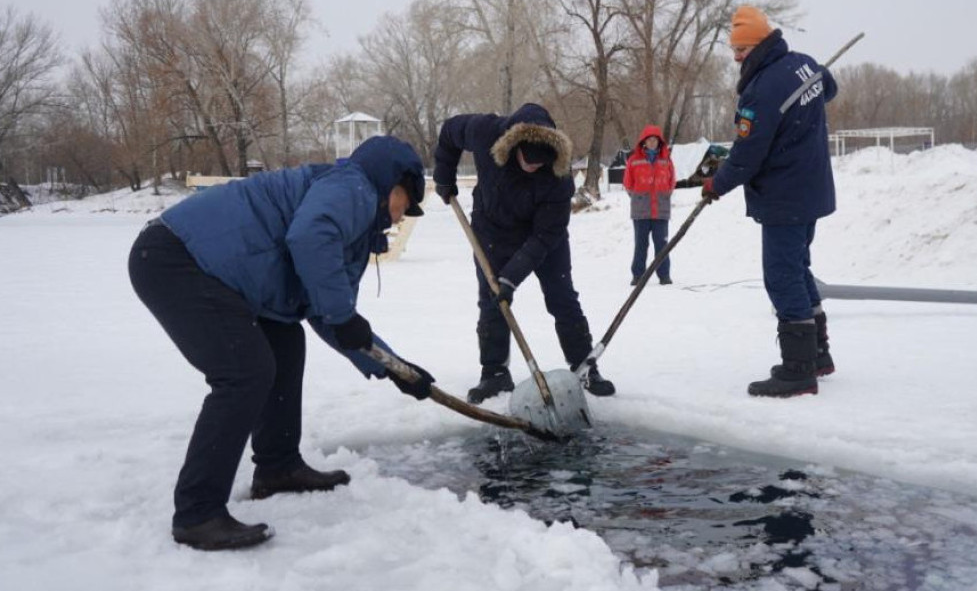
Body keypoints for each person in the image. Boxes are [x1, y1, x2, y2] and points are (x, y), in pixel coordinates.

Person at [128, 136, 435, 551]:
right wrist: (346, 320)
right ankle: (197, 513)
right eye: (406, 204)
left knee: (285, 342)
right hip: (179, 259)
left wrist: (393, 367)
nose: (402, 217)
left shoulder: (351, 217)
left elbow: (332, 315)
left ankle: (278, 467)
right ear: (394, 183)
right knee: (244, 372)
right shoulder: (355, 187)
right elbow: (310, 240)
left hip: (211, 271)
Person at [432, 102, 615, 402]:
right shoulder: (484, 131)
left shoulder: (559, 178)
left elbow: (546, 235)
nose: (533, 167)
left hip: (542, 235)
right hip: (492, 229)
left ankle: (584, 367)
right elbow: (450, 133)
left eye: (540, 164)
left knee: (562, 297)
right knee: (492, 300)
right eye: (528, 161)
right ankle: (494, 374)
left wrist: (512, 278)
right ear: (514, 146)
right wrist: (443, 175)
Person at [701, 6, 839, 397]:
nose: (735, 56)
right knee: (797, 268)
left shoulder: (762, 90)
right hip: (810, 188)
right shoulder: (803, 64)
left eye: (741, 48)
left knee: (781, 275)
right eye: (734, 48)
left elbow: (746, 155)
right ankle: (817, 355)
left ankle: (798, 371)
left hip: (785, 194)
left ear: (759, 44)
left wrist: (716, 185)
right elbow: (829, 89)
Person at [622, 124, 676, 285]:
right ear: (643, 142)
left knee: (662, 244)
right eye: (649, 140)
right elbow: (628, 183)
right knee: (641, 244)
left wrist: (664, 195)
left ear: (659, 142)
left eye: (655, 140)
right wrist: (638, 197)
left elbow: (671, 181)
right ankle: (638, 275)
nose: (652, 143)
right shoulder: (634, 160)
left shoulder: (666, 160)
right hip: (641, 210)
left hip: (661, 209)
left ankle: (664, 275)